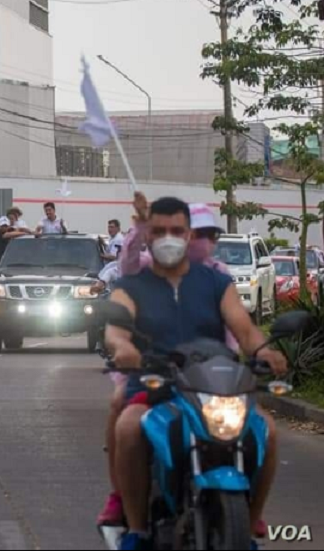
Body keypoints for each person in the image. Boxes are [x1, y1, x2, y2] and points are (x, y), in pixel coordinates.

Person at [105, 197, 286, 551]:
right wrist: (123, 348)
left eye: (176, 231)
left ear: (189, 235)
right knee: (128, 427)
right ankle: (137, 530)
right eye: (159, 231)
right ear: (148, 235)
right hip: (157, 385)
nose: (168, 238)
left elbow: (244, 329)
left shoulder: (216, 282)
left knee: (268, 430)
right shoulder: (132, 285)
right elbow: (116, 329)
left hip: (215, 386)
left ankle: (248, 527)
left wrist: (264, 351)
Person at [97, 195, 236, 528]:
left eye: (208, 235)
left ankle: (246, 505)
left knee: (260, 428)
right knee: (124, 417)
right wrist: (140, 226)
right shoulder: (143, 274)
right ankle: (126, 505)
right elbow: (126, 270)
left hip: (210, 378)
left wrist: (248, 359)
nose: (204, 242)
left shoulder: (219, 277)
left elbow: (237, 330)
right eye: (162, 231)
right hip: (150, 376)